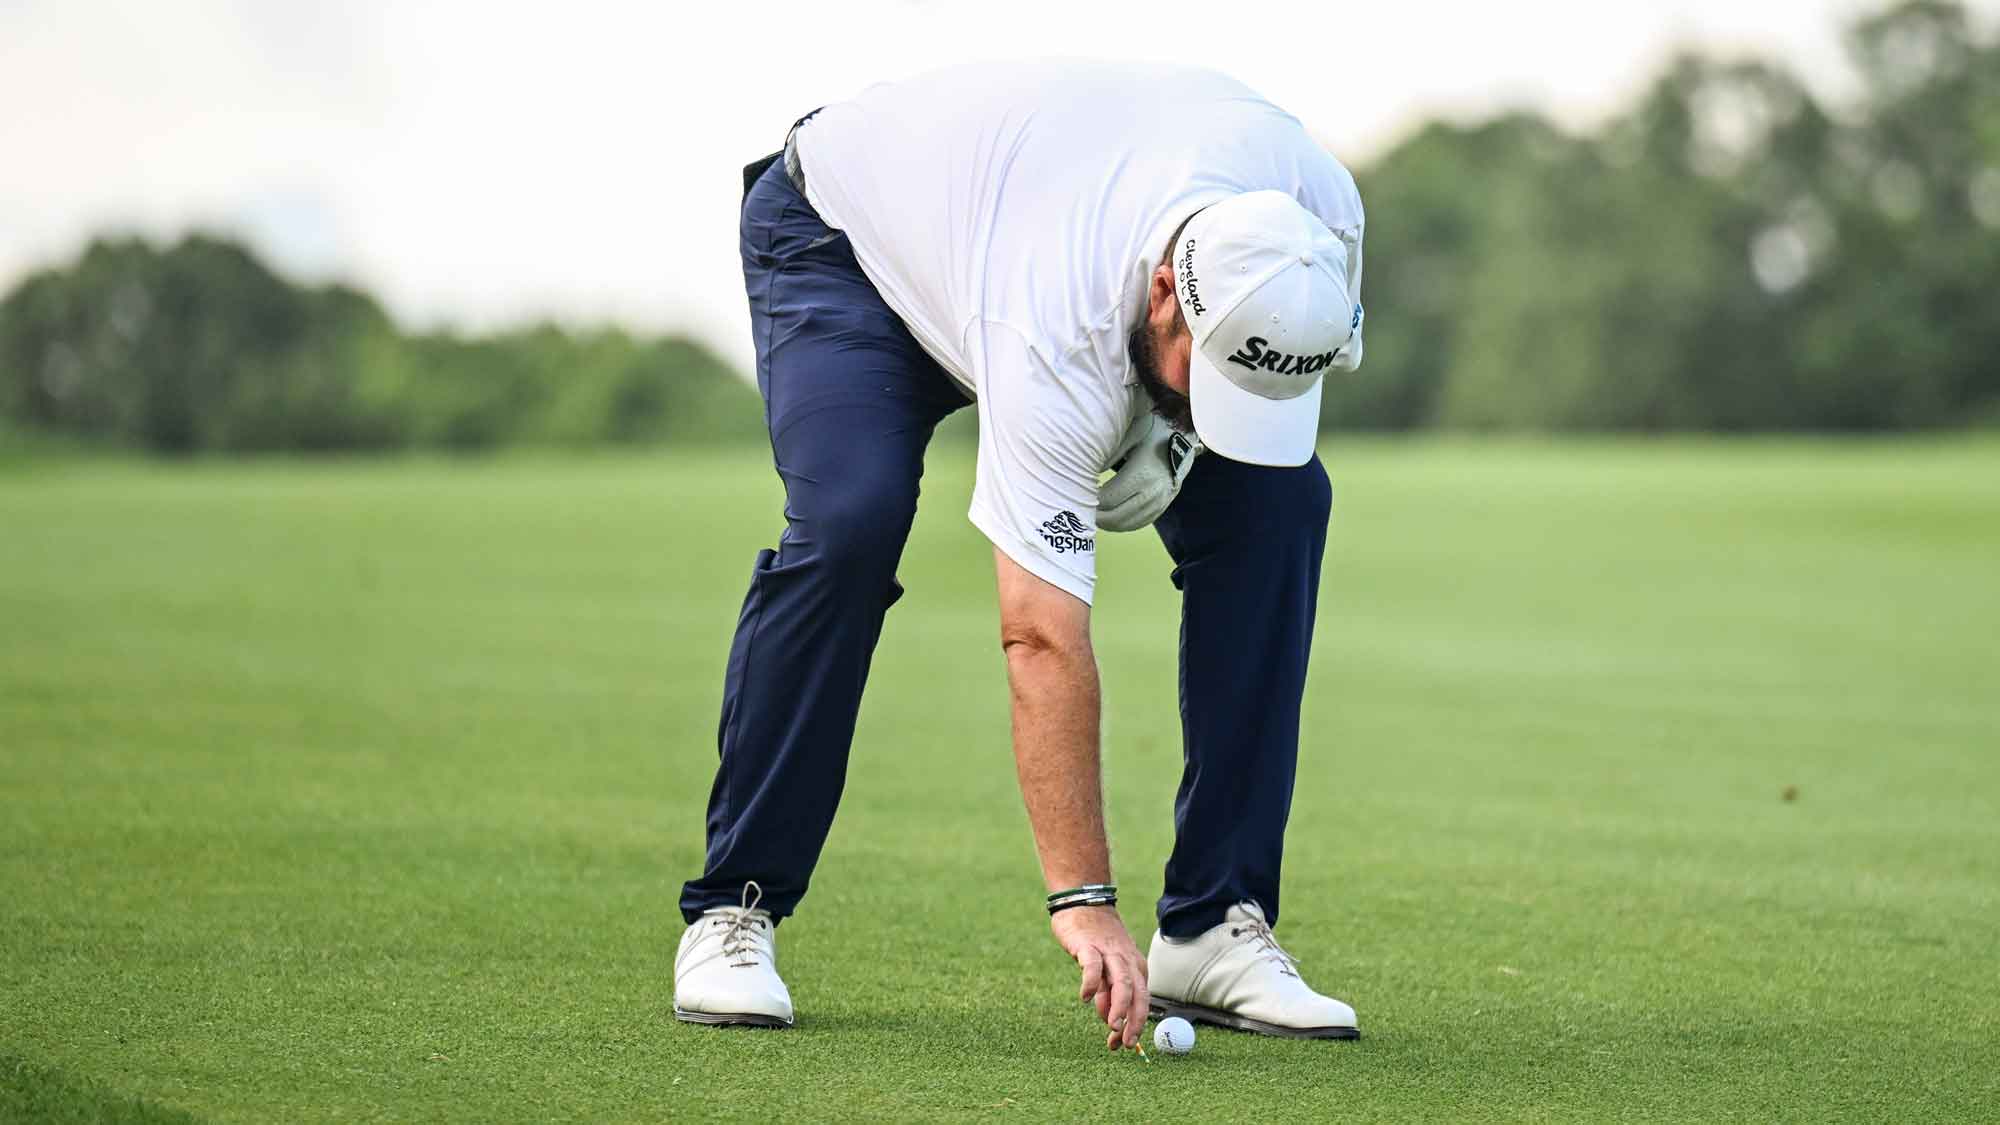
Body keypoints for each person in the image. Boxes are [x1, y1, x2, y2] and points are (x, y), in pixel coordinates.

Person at [672, 60, 1366, 1048]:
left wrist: (1170, 431)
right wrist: (1080, 899)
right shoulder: (1056, 321)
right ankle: (731, 911)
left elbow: (1254, 368)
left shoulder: (1321, 228)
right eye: (1201, 379)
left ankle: (1213, 928)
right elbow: (1038, 635)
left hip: (1016, 226)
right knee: (850, 527)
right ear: (1166, 293)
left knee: (1279, 504)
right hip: (847, 242)